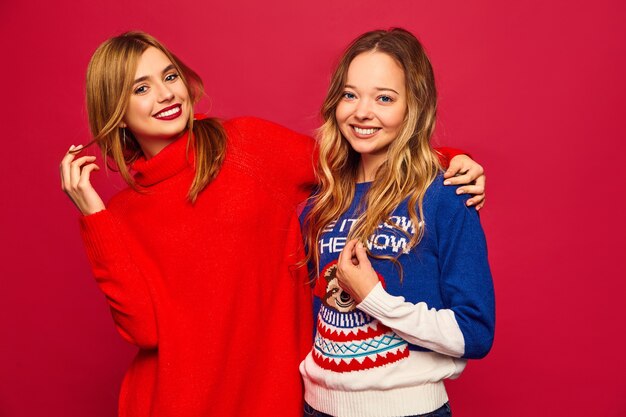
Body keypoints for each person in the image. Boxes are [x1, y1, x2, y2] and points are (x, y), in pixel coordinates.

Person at [59, 32, 487, 417]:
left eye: (169, 77)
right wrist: (94, 217)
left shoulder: (246, 145)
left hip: (271, 399)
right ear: (115, 107)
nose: (165, 95)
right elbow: (143, 331)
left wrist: (449, 161)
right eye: (141, 88)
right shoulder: (118, 216)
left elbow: (354, 152)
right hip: (172, 403)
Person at [299, 29, 495, 417]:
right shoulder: (317, 205)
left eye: (384, 98)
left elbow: (475, 331)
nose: (361, 111)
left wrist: (375, 299)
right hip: (317, 408)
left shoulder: (445, 198)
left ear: (413, 108)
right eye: (350, 94)